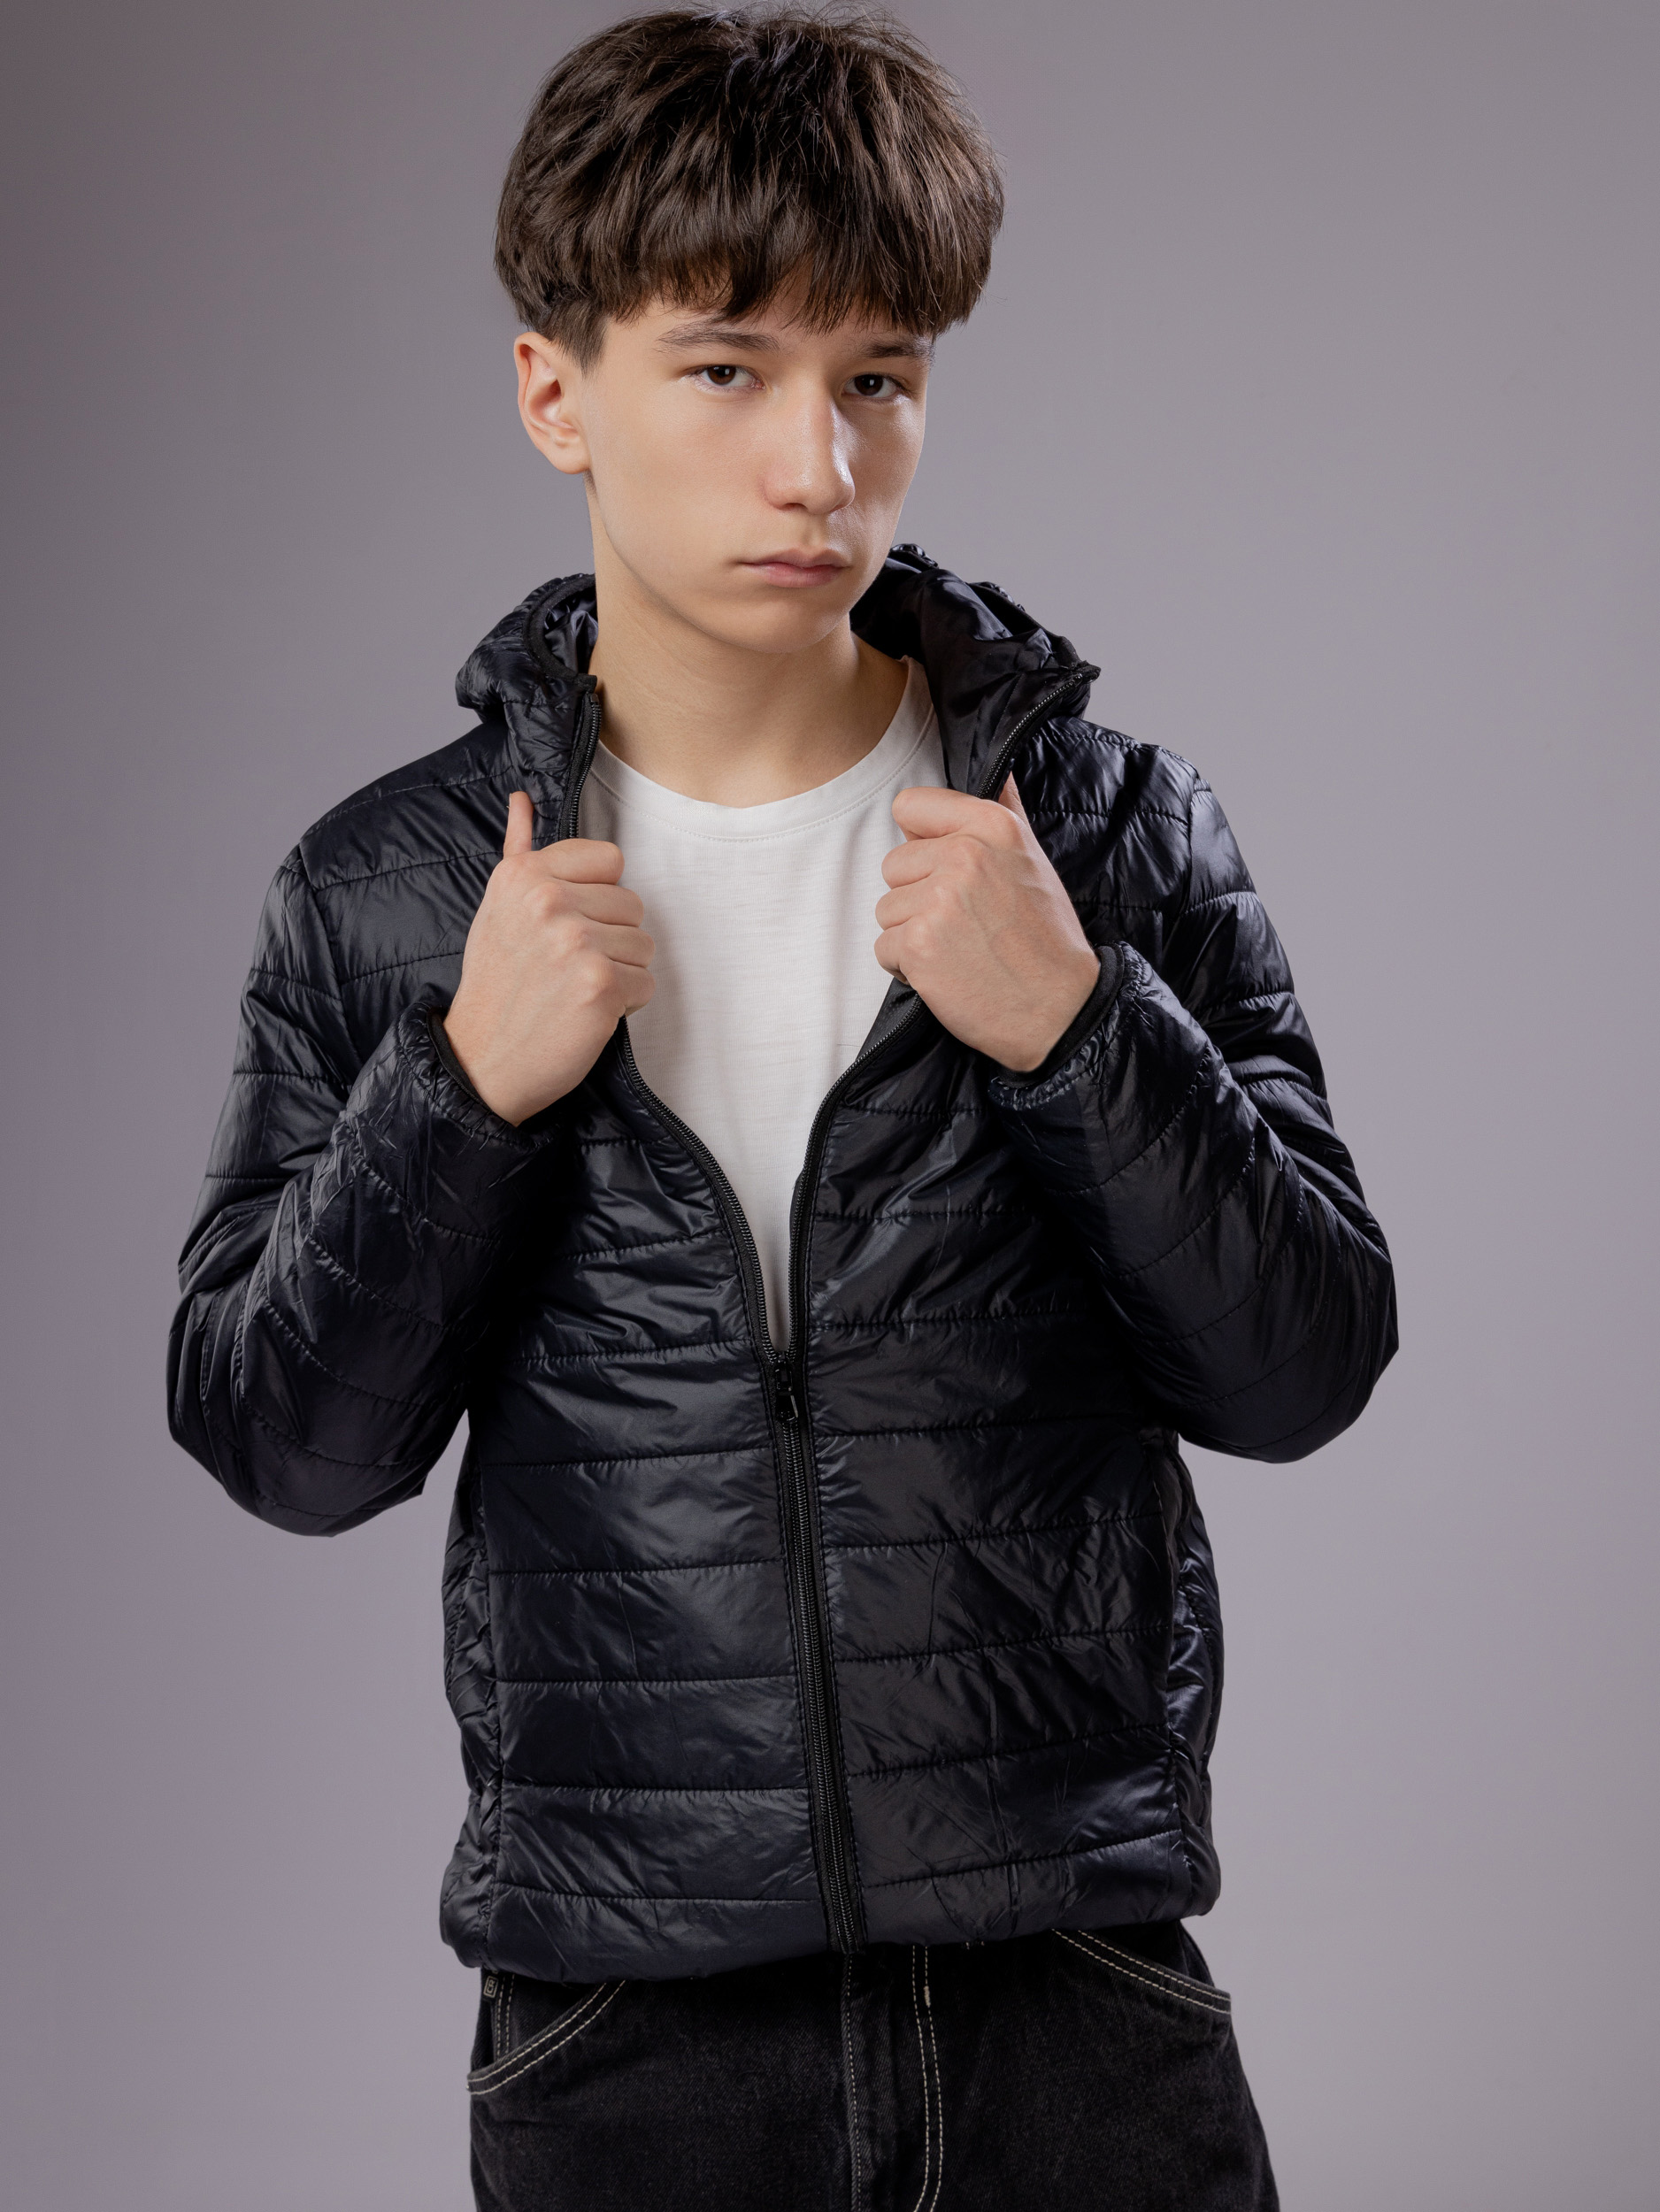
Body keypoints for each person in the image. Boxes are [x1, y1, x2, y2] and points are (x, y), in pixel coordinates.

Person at [168, 9, 1396, 2207]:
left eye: (878, 380)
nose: (816, 466)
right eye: (726, 369)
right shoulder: (393, 890)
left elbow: (1301, 1366)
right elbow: (285, 1444)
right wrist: (461, 1089)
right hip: (626, 2017)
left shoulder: (1104, 836)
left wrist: (1077, 1029)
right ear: (556, 390)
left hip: (1070, 1980)